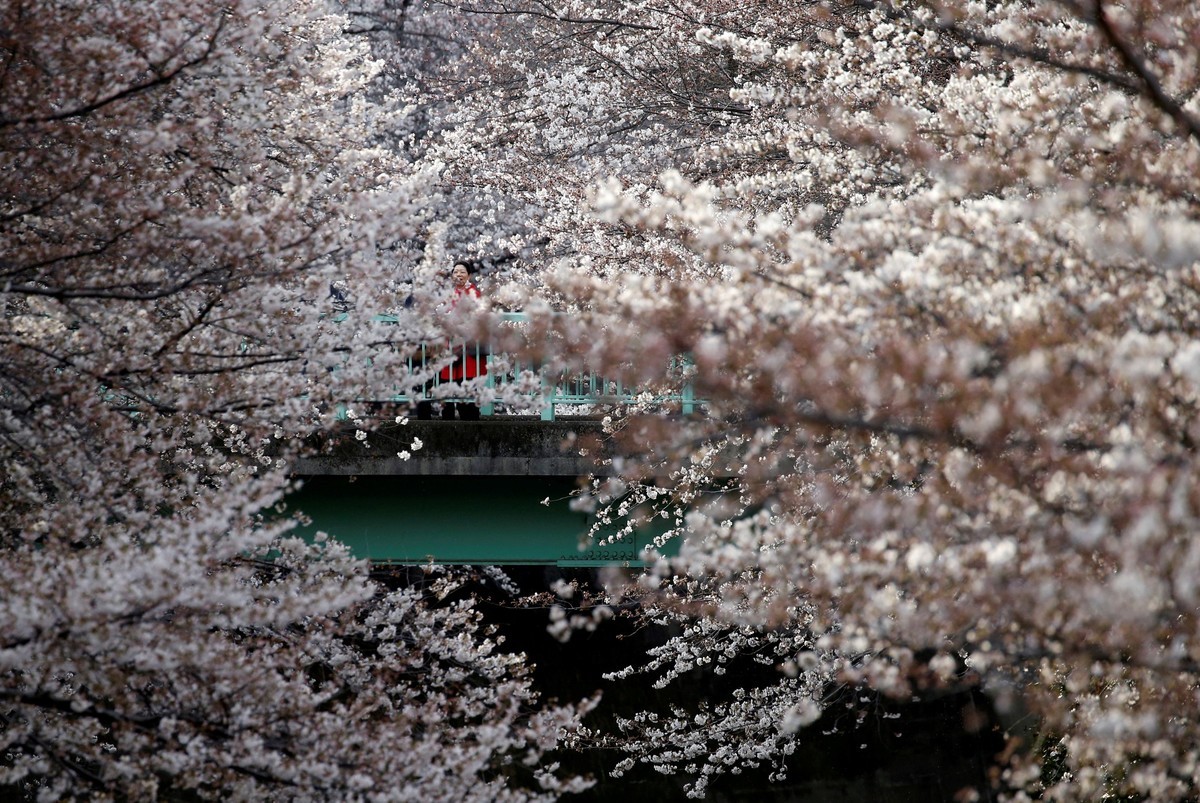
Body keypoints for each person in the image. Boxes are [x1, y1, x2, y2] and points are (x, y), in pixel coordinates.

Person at [416, 263, 487, 420]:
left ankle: (469, 414)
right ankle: (447, 412)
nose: (459, 275)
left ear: (469, 275)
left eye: (462, 272)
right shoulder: (447, 293)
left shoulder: (474, 292)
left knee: (467, 380)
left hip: (467, 345)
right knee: (446, 379)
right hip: (448, 344)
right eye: (455, 272)